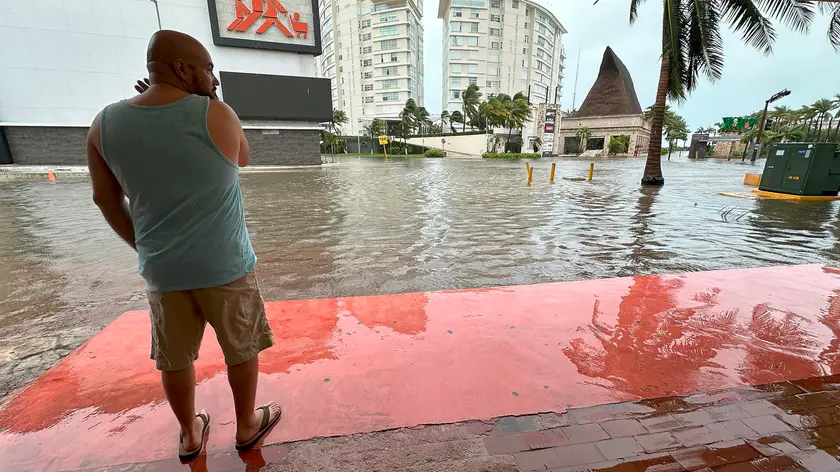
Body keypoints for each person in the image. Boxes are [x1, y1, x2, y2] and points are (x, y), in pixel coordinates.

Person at [85, 30, 281, 461]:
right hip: (225, 265)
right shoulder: (217, 114)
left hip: (163, 270)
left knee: (174, 359)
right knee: (241, 347)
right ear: (182, 69)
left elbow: (105, 198)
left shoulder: (104, 124)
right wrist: (211, 100)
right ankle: (247, 424)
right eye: (208, 68)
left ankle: (190, 435)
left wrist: (144, 246)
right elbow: (242, 156)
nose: (213, 78)